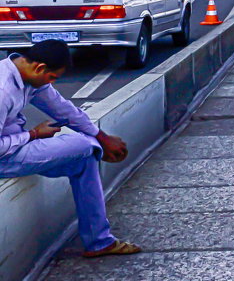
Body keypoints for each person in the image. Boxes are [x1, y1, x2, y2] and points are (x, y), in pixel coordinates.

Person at [0, 41, 139, 257]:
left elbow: (63, 109)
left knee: (84, 159)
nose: (52, 83)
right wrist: (33, 135)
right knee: (84, 145)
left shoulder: (30, 78)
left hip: (14, 147)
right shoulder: (3, 90)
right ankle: (99, 239)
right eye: (52, 78)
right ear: (39, 68)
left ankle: (99, 241)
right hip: (4, 157)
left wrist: (102, 137)